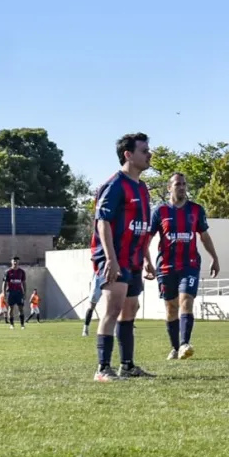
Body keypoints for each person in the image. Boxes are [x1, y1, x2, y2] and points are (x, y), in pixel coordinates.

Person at [90, 132, 156, 382]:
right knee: (113, 308)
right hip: (114, 258)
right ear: (128, 155)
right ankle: (102, 368)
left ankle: (127, 365)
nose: (149, 154)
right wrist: (110, 259)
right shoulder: (115, 185)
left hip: (134, 260)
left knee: (131, 308)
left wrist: (147, 259)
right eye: (144, 150)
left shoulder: (142, 187)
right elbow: (102, 222)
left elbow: (141, 227)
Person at [150, 172, 221, 359]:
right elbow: (147, 238)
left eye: (184, 184)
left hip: (189, 264)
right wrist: (145, 261)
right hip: (165, 266)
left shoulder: (196, 210)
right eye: (177, 184)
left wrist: (214, 257)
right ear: (169, 188)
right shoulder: (159, 212)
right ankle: (175, 347)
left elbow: (204, 236)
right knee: (171, 307)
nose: (182, 187)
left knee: (186, 301)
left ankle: (184, 344)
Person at [3, 257, 28, 330]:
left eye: (16, 261)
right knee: (11, 308)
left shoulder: (22, 272)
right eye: (14, 261)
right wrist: (3, 293)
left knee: (21, 308)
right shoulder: (8, 272)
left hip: (19, 292)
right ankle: (11, 324)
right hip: (11, 292)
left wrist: (25, 293)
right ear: (11, 262)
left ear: (18, 262)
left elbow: (24, 283)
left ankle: (22, 325)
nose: (15, 262)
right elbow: (4, 283)